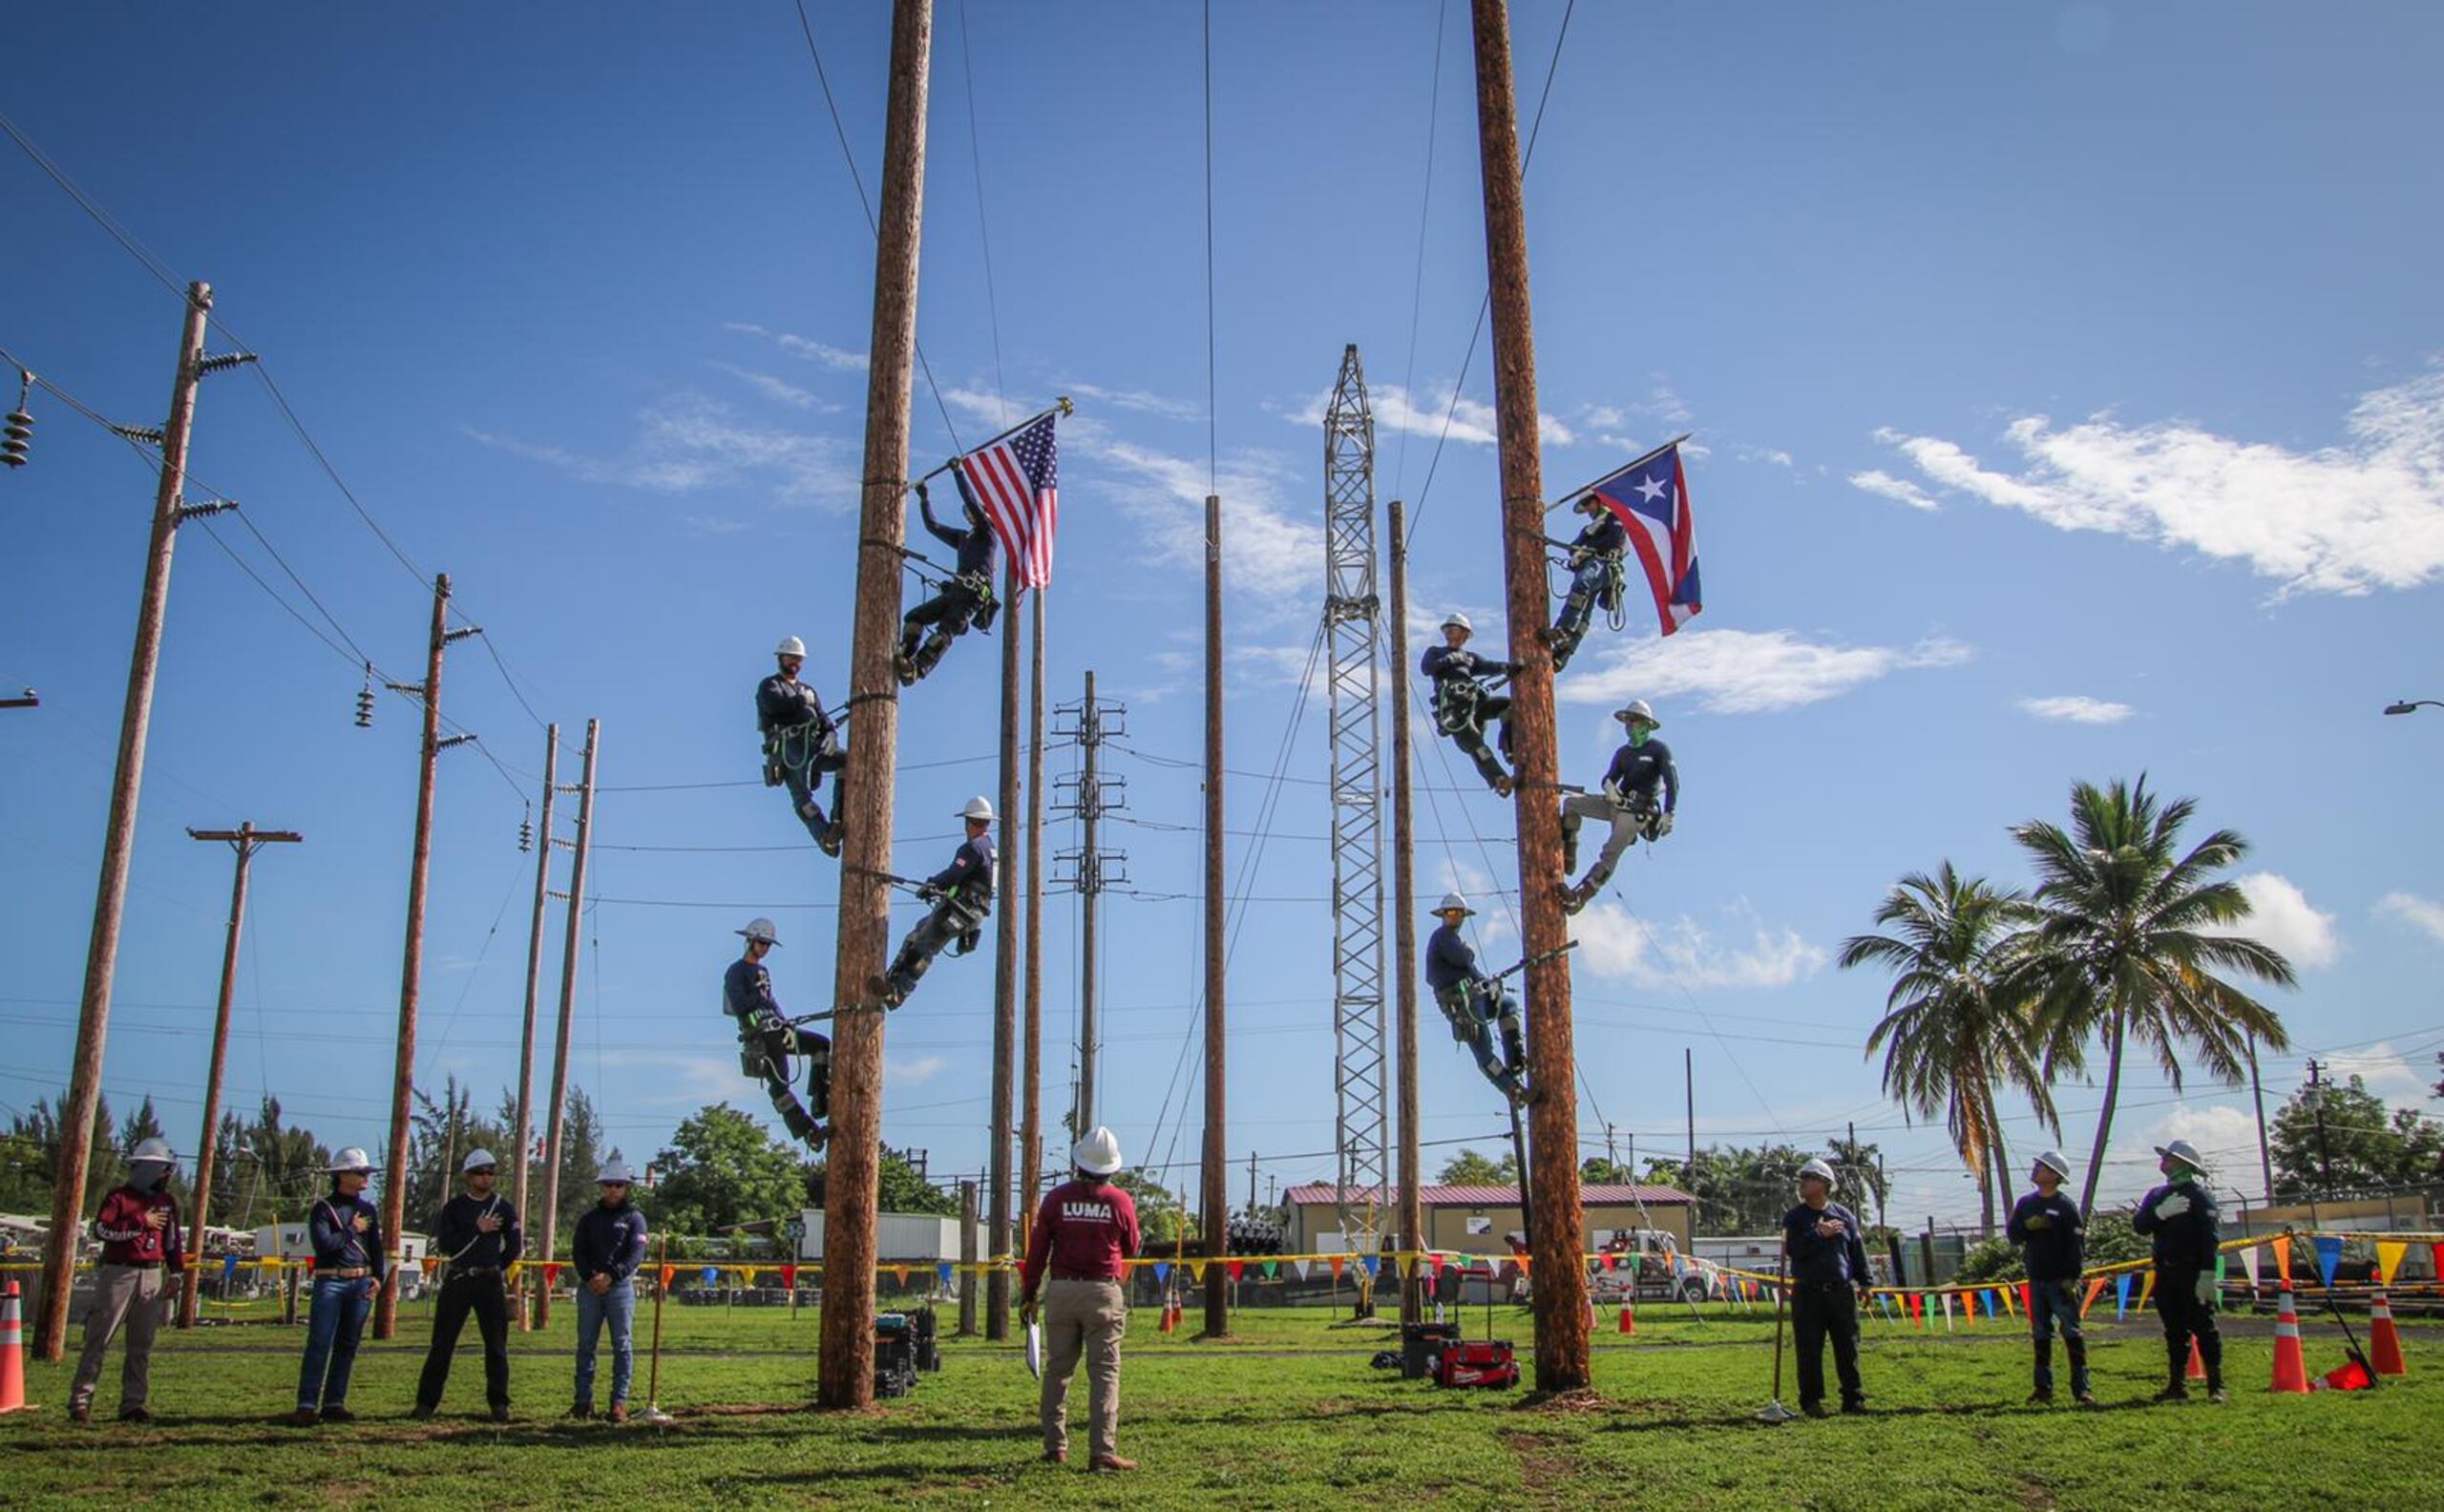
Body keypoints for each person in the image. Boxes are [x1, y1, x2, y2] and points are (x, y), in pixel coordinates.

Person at [1019, 1125, 1143, 1473]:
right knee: (1104, 1372)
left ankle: (1054, 1446)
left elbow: (1038, 1250)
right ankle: (1102, 1451)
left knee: (1058, 1370)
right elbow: (1132, 1246)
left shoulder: (1056, 1199)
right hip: (1103, 1292)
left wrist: (1029, 1293)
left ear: (1078, 1162)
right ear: (1111, 1167)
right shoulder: (1120, 1201)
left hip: (1061, 1291)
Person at [67, 1137, 184, 1424]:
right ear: (146, 1168)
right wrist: (139, 1223)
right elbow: (102, 1230)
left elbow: (172, 1241)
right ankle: (81, 1401)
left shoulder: (167, 1202)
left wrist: (177, 1272)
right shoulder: (119, 1198)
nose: (166, 1175)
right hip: (119, 1272)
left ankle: (133, 1404)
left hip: (152, 1273)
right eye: (162, 1169)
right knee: (99, 1338)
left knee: (141, 1345)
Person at [412, 1147, 521, 1422]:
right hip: (459, 1278)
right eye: (480, 1173)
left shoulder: (504, 1208)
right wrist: (477, 1229)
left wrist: (497, 1264)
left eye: (490, 1173)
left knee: (496, 1344)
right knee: (442, 1343)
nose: (486, 1177)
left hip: (489, 1280)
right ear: (468, 1176)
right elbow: (447, 1245)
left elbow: (514, 1245)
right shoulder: (455, 1208)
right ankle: (426, 1403)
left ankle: (499, 1403)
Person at [874, 797, 996, 1009]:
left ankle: (898, 993)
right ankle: (891, 981)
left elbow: (953, 875)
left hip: (962, 910)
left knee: (924, 947)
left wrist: (931, 884)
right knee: (915, 935)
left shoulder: (973, 848)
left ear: (969, 822)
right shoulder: (990, 848)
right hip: (973, 913)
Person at [1557, 700, 1678, 914]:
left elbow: (1672, 782)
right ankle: (1568, 853)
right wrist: (1609, 787)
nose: (1629, 725)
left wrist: (1669, 812)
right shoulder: (1623, 753)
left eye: (1634, 721)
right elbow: (1610, 776)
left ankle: (1580, 896)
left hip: (1638, 812)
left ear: (1646, 725)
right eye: (1627, 721)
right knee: (1571, 804)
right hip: (1617, 804)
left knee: (1610, 852)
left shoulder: (1658, 750)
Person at [293, 1147, 384, 1428]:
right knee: (320, 1343)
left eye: (367, 1173)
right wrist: (352, 1230)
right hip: (330, 1279)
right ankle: (307, 1404)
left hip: (360, 1281)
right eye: (360, 1172)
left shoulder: (368, 1210)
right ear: (342, 1175)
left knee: (347, 1345)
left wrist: (378, 1277)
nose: (364, 1178)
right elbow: (324, 1245)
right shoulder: (324, 1209)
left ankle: (334, 1402)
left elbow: (376, 1248)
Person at [723, 916, 829, 1148]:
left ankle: (821, 1099)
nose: (764, 948)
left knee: (821, 1045)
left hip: (778, 1030)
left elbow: (771, 1001)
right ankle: (809, 1131)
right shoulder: (736, 971)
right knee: (780, 1085)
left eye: (768, 944)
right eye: (761, 942)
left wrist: (785, 1022)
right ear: (750, 940)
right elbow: (740, 1004)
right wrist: (761, 1003)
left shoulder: (763, 971)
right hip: (761, 1036)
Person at [2131, 1138, 2223, 1403]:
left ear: (2184, 1164)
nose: (2164, 1162)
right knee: (2174, 1330)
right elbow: (2140, 1225)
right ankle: (2176, 1385)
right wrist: (2159, 1213)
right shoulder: (2156, 1196)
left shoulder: (2199, 1196)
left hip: (2192, 1270)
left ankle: (2216, 1385)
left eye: (2170, 1158)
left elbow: (2210, 1237)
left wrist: (2208, 1273)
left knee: (2204, 1327)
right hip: (2165, 1271)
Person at [1780, 1157, 1872, 1418]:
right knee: (1809, 1348)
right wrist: (1817, 1234)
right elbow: (1793, 1250)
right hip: (1808, 1292)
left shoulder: (1844, 1215)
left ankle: (1853, 1399)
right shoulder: (1795, 1218)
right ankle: (1811, 1401)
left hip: (1841, 1292)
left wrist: (1865, 1282)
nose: (1802, 1185)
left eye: (1807, 1179)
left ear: (1823, 1184)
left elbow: (1856, 1250)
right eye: (1802, 1180)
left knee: (1848, 1346)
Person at [1422, 893, 1527, 1106]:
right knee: (1484, 1051)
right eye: (1451, 913)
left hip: (1474, 998)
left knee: (1506, 1004)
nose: (1455, 918)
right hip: (1461, 1005)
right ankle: (1512, 1088)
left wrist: (1491, 985)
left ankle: (1516, 1060)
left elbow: (1474, 973)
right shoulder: (1442, 936)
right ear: (1443, 915)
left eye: (1459, 914)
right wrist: (1468, 952)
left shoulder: (1451, 939)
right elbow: (1463, 959)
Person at [2006, 1149, 2093, 1405]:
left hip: (2061, 1280)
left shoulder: (2065, 1206)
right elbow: (2013, 1236)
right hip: (2037, 1279)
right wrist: (2026, 1226)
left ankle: (2082, 1389)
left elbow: (2076, 1243)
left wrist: (2072, 1276)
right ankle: (2043, 1389)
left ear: (2054, 1176)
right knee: (2041, 1334)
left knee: (2072, 1333)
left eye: (2041, 1167)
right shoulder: (2026, 1204)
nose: (2035, 1170)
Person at [896, 480, 1000, 685]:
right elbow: (932, 526)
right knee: (915, 617)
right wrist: (924, 499)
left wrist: (957, 472)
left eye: (972, 513)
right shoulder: (964, 538)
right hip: (956, 591)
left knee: (945, 631)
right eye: (966, 513)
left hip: (972, 595)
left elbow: (971, 502)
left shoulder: (988, 535)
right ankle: (905, 655)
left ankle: (917, 669)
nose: (969, 515)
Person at [572, 1160, 649, 1423]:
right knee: (585, 1346)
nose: (613, 1190)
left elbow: (636, 1254)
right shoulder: (588, 1220)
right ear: (601, 1187)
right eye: (608, 1185)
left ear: (626, 1188)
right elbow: (578, 1252)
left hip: (620, 1289)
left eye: (618, 1185)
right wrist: (589, 1277)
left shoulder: (634, 1219)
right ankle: (582, 1402)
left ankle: (619, 1402)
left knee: (622, 1345)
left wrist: (612, 1275)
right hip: (590, 1288)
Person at [758, 635, 845, 856]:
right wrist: (801, 700)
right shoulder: (770, 685)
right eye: (790, 658)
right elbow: (775, 706)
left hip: (813, 744)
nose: (794, 663)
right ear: (781, 658)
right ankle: (825, 836)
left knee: (848, 762)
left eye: (798, 659)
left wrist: (831, 733)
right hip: (788, 747)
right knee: (802, 800)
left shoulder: (808, 690)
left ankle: (836, 822)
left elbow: (822, 716)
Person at [1421, 612, 1519, 795]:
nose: (1451, 633)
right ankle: (1499, 779)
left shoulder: (1470, 658)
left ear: (1465, 634)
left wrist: (1508, 667)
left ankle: (1511, 749)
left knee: (1509, 706)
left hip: (1474, 702)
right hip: (1454, 709)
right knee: (1476, 744)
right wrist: (1448, 659)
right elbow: (1427, 668)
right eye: (1448, 630)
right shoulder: (1435, 652)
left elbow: (1488, 666)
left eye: (1455, 630)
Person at [1542, 494, 1628, 671]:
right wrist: (1577, 556)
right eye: (1585, 505)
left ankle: (1564, 630)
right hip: (1590, 565)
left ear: (1598, 501)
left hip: (1604, 564)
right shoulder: (1588, 530)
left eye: (1588, 503)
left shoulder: (1613, 518)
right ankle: (1563, 654)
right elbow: (1573, 547)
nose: (1587, 509)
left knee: (1582, 584)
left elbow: (1614, 541)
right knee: (1585, 611)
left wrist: (1589, 550)